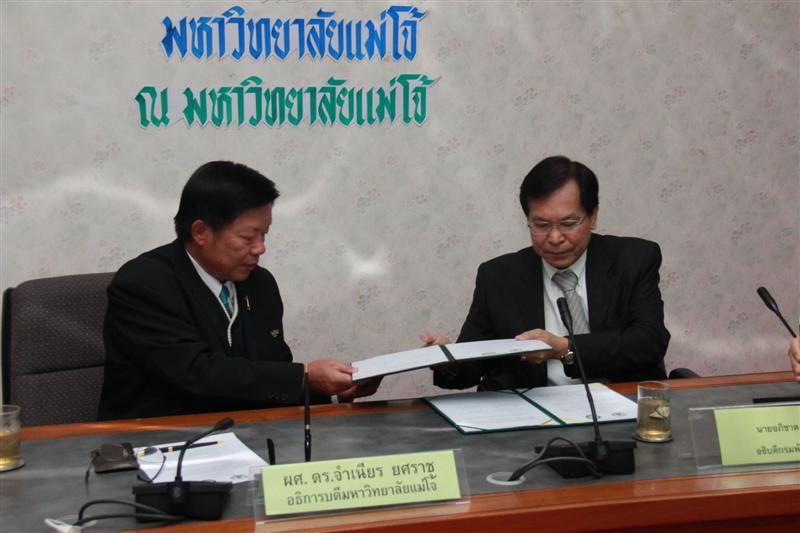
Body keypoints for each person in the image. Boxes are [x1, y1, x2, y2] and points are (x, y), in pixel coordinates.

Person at [98, 161, 380, 420]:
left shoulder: (260, 284)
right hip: (156, 441)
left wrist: (332, 392)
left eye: (264, 234)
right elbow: (197, 373)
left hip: (248, 437)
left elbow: (268, 375)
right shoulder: (143, 283)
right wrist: (304, 378)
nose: (260, 248)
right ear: (200, 232)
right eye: (248, 237)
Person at [424, 155, 670, 390]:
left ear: (593, 216)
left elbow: (649, 343)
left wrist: (564, 348)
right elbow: (471, 367)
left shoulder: (633, 260)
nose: (554, 237)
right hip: (534, 411)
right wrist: (448, 360)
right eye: (541, 225)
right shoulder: (498, 277)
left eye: (568, 224)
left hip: (620, 404)